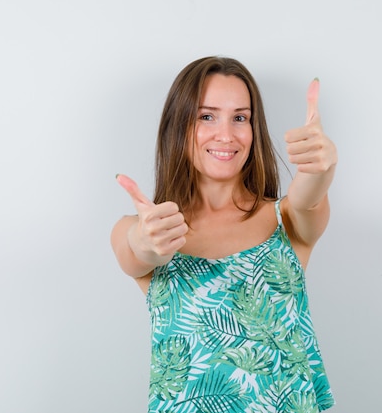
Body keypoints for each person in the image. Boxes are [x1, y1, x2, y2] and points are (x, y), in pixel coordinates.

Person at [111, 56, 337, 413]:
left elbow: (310, 199)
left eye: (240, 118)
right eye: (206, 116)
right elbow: (135, 251)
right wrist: (147, 240)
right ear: (178, 125)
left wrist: (322, 168)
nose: (226, 134)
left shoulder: (288, 220)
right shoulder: (144, 229)